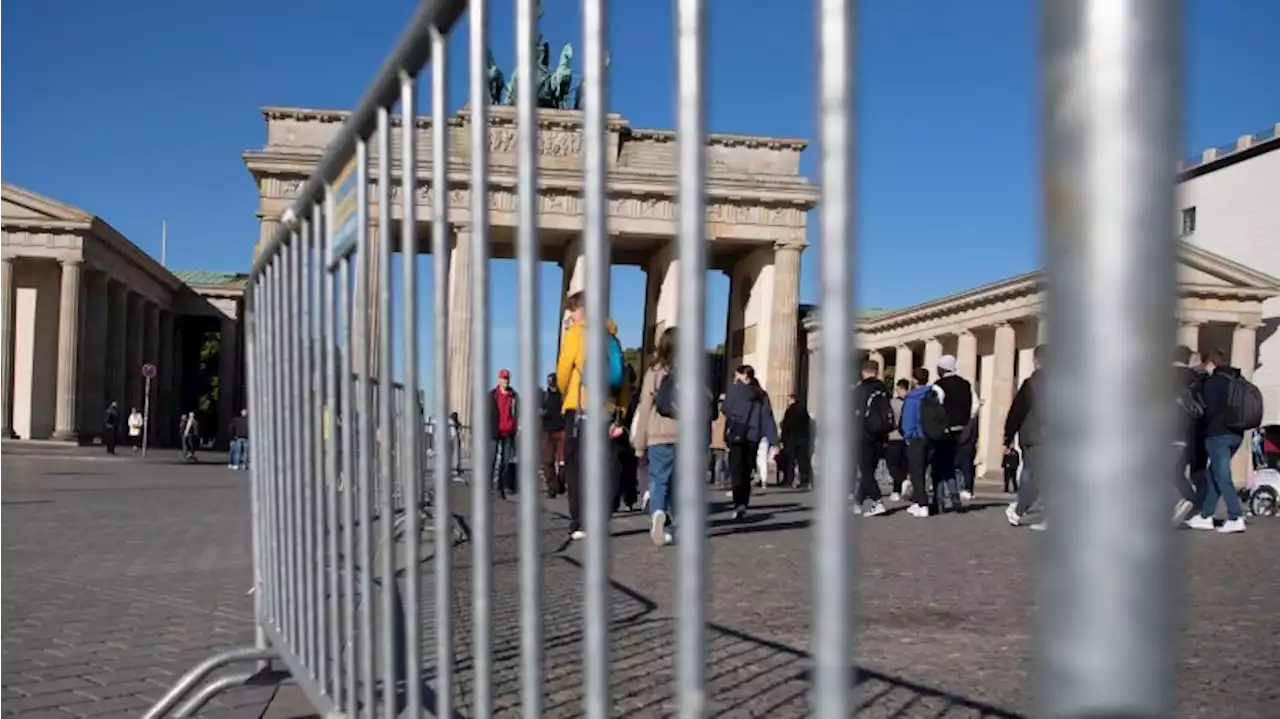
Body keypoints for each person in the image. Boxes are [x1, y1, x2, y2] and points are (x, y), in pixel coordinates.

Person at [554, 291, 632, 541]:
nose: (571, 317)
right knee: (606, 465)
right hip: (608, 411)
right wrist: (620, 411)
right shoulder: (611, 336)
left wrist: (567, 393)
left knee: (576, 465)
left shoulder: (577, 333)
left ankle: (580, 521)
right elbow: (623, 380)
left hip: (582, 408)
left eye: (573, 311)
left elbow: (564, 370)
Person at [1185, 347, 1247, 534]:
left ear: (1211, 364)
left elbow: (1207, 411)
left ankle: (1236, 516)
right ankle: (1206, 515)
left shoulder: (1213, 383)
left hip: (1217, 434)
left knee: (1221, 476)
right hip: (1236, 434)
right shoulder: (1238, 381)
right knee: (1214, 475)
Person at [631, 327, 679, 546]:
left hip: (658, 434)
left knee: (658, 480)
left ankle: (658, 514)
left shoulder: (653, 371)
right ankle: (671, 524)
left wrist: (639, 444)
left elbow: (645, 408)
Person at [721, 365, 777, 520]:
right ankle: (743, 503)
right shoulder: (761, 395)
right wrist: (774, 440)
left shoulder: (735, 391)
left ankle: (738, 502)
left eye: (737, 375)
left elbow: (725, 409)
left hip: (737, 435)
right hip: (753, 436)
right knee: (747, 471)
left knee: (736, 470)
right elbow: (767, 417)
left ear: (744, 376)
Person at [1004, 345, 1046, 530]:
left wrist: (1008, 436)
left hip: (1035, 436)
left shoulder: (1032, 383)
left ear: (1037, 361)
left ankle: (1018, 510)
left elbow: (1017, 412)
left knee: (1032, 476)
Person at [932, 355, 978, 512]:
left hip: (946, 429)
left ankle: (939, 501)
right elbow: (975, 406)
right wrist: (966, 420)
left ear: (941, 370)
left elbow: (935, 408)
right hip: (963, 429)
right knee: (953, 465)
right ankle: (955, 494)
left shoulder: (938, 386)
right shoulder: (966, 384)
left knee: (939, 465)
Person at [1172, 345, 1208, 525]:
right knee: (1179, 471)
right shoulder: (1200, 378)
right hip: (1194, 432)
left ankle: (1187, 500)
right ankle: (1192, 504)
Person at [852, 360, 891, 516]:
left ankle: (877, 501)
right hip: (880, 434)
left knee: (865, 471)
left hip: (863, 434)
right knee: (869, 470)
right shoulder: (883, 389)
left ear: (863, 372)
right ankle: (857, 501)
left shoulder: (861, 389)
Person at [899, 368, 934, 517]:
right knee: (925, 470)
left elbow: (908, 421)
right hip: (931, 436)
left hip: (916, 437)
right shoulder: (933, 394)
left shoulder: (912, 397)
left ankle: (922, 503)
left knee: (916, 472)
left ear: (914, 380)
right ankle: (917, 502)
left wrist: (907, 436)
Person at [489, 369, 519, 498]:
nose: (505, 380)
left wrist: (515, 425)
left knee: (506, 461)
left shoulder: (514, 396)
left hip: (509, 431)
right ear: (499, 379)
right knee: (492, 459)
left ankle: (501, 484)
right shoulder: (492, 395)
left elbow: (518, 412)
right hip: (495, 431)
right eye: (503, 378)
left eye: (507, 378)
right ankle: (489, 485)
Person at [778, 394, 814, 489]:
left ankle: (789, 480)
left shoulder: (790, 411)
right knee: (803, 461)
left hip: (792, 439)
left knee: (790, 461)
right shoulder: (803, 410)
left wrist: (782, 439)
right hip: (803, 438)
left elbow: (786, 426)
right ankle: (805, 480)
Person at [539, 373, 566, 498]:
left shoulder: (563, 396)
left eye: (553, 383)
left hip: (561, 431)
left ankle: (560, 484)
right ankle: (552, 488)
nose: (551, 385)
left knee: (562, 462)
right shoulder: (544, 396)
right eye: (550, 383)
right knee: (547, 461)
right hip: (548, 431)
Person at [884, 379, 909, 499]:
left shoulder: (892, 403)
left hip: (893, 436)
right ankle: (897, 490)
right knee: (902, 465)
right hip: (906, 437)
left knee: (892, 464)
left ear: (899, 389)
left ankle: (901, 483)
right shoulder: (910, 402)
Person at [708, 395, 728, 487]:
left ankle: (714, 478)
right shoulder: (726, 415)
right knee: (720, 462)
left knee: (713, 461)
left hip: (712, 441)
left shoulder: (712, 415)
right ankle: (718, 480)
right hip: (721, 442)